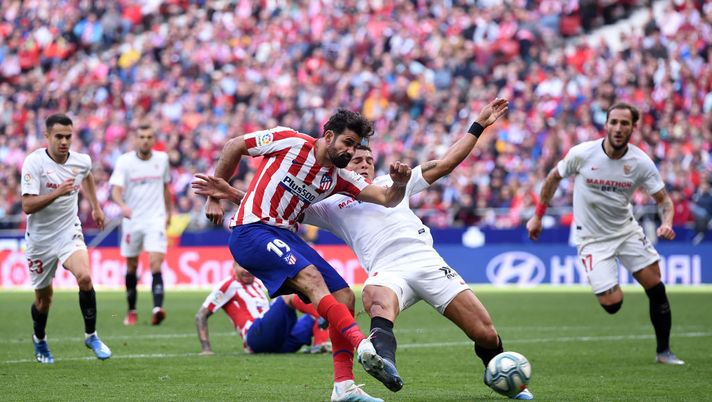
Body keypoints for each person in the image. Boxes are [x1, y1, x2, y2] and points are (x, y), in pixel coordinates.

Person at [194, 99, 535, 400]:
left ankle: (348, 385)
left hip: (427, 262)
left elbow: (438, 167)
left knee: (483, 331)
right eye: (352, 153)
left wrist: (477, 126)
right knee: (372, 298)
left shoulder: (377, 184)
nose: (358, 159)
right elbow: (275, 202)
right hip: (385, 270)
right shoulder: (329, 199)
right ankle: (374, 356)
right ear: (331, 138)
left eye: (365, 155)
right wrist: (224, 192)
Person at [202, 109, 411, 402]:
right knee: (311, 278)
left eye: (356, 146)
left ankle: (344, 387)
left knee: (344, 296)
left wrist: (399, 183)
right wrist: (214, 196)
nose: (351, 151)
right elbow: (234, 145)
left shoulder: (339, 178)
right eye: (348, 143)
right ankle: (362, 344)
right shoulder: (289, 141)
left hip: (286, 235)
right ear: (329, 136)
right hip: (251, 230)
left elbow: (386, 198)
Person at [526, 102, 684, 365]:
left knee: (656, 287)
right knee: (612, 304)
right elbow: (553, 177)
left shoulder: (641, 162)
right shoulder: (583, 154)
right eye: (614, 122)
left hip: (626, 231)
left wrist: (667, 222)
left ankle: (664, 352)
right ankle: (608, 275)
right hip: (592, 239)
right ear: (606, 125)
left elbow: (664, 200)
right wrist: (538, 216)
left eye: (625, 123)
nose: (618, 128)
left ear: (633, 127)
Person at [21, 114, 112, 363]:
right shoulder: (34, 163)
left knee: (85, 277)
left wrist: (96, 207)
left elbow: (87, 175)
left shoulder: (81, 161)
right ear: (47, 136)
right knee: (44, 301)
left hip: (68, 231)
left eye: (68, 137)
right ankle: (40, 339)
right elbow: (27, 205)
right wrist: (58, 193)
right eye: (58, 136)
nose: (64, 142)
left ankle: (91, 335)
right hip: (39, 239)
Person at [109, 123, 172, 326]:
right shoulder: (125, 161)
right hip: (133, 219)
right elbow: (115, 190)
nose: (145, 140)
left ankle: (157, 309)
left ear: (154, 140)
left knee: (155, 262)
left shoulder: (162, 159)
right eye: (142, 137)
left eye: (149, 137)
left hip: (155, 218)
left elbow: (165, 188)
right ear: (136, 140)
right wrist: (122, 206)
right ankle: (132, 310)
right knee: (132, 265)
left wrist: (169, 213)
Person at [196, 263, 331, 355]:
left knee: (314, 313)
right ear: (234, 266)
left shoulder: (258, 283)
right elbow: (201, 315)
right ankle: (324, 316)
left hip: (279, 342)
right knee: (288, 297)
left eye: (250, 267)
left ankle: (321, 345)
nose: (247, 271)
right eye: (242, 266)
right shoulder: (228, 285)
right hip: (255, 338)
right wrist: (206, 349)